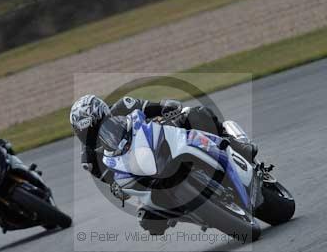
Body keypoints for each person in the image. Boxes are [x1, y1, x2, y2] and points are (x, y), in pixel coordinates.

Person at [69, 94, 258, 233]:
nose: (95, 135)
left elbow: (154, 107)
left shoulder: (122, 106)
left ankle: (236, 143)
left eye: (98, 126)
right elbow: (112, 180)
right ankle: (200, 214)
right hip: (140, 174)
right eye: (88, 134)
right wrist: (117, 188)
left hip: (155, 142)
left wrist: (167, 108)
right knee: (148, 221)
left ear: (106, 113)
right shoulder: (89, 160)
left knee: (198, 114)